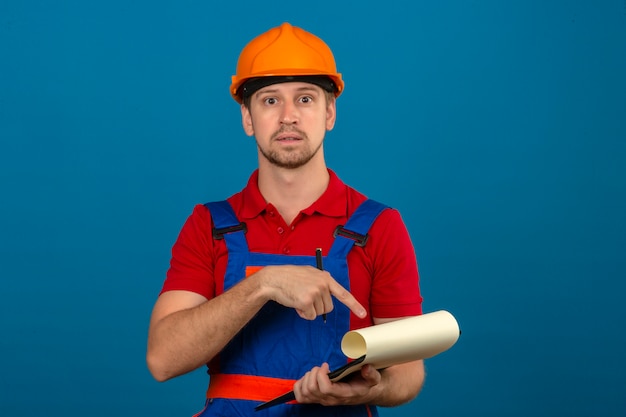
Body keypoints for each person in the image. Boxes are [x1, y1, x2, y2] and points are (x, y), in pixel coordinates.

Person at [147, 22, 424, 416]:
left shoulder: (379, 227)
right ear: (247, 118)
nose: (288, 116)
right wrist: (263, 285)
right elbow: (163, 359)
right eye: (270, 100)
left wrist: (364, 393)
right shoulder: (209, 226)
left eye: (306, 99)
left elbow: (408, 373)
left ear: (330, 112)